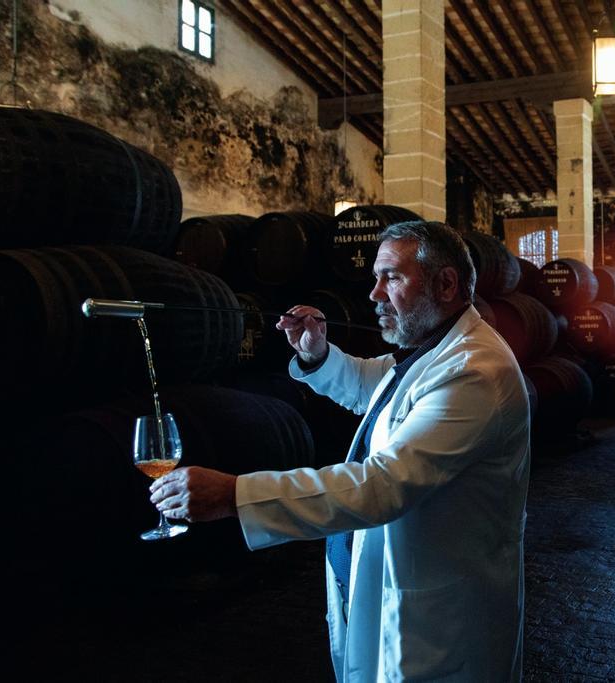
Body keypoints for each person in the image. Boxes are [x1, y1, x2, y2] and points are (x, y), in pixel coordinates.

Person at [150, 220, 531, 682]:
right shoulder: (434, 349)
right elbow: (378, 389)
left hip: (441, 619)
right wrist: (317, 354)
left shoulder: (474, 372)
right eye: (375, 277)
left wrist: (236, 495)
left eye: (391, 276)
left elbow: (383, 486)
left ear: (446, 284)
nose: (373, 294)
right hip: (402, 591)